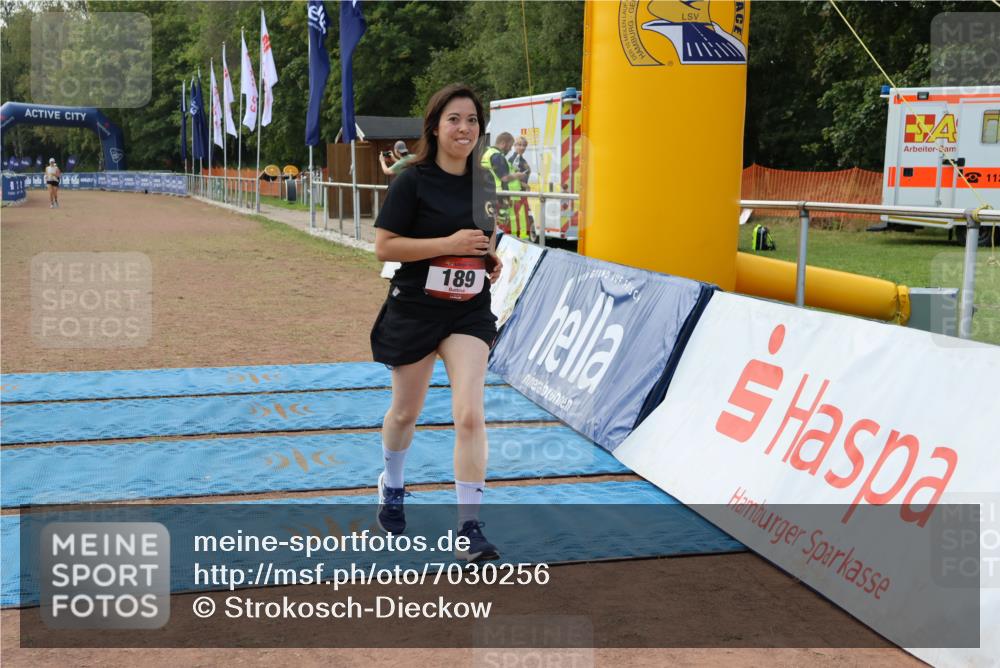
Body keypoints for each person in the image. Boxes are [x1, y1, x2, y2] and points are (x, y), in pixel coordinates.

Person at [370, 83, 504, 563]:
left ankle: (469, 527)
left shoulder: (484, 183)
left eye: (472, 120)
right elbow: (385, 247)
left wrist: (489, 258)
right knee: (405, 414)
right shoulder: (411, 181)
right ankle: (392, 484)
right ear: (435, 126)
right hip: (415, 308)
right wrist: (447, 244)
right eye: (454, 119)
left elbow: (484, 239)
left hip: (468, 311)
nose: (464, 128)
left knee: (469, 413)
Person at [480, 132, 525, 234]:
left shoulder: (487, 153)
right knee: (501, 225)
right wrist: (517, 175)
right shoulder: (497, 156)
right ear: (503, 143)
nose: (510, 150)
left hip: (489, 193)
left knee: (493, 225)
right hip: (499, 196)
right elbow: (504, 178)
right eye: (510, 146)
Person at [507, 135, 534, 240]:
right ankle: (515, 238)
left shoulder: (521, 159)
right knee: (516, 218)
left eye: (524, 145)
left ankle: (522, 237)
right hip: (515, 193)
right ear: (514, 146)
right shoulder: (514, 160)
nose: (522, 147)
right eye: (519, 145)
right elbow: (510, 177)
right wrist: (525, 185)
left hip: (521, 194)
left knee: (522, 217)